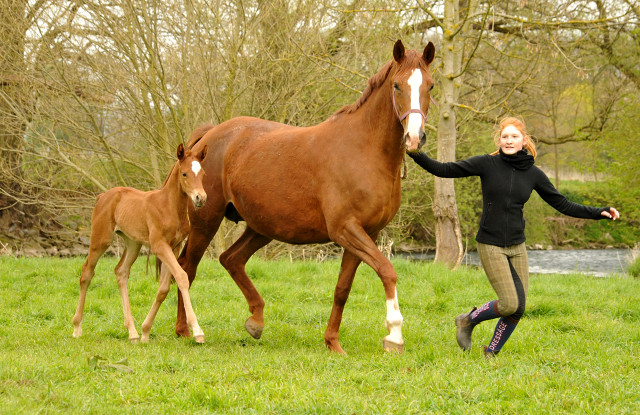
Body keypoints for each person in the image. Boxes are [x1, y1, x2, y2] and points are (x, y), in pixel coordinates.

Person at [408, 117, 620, 358]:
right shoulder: (486, 164)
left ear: (524, 141)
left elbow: (561, 203)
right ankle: (468, 320)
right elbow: (444, 169)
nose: (509, 141)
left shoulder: (533, 174)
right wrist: (416, 153)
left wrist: (597, 213)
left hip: (517, 246)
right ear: (499, 141)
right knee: (509, 303)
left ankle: (491, 353)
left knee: (519, 308)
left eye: (514, 137)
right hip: (490, 243)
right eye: (505, 137)